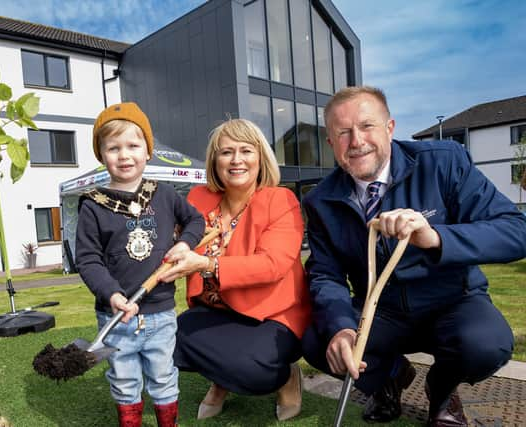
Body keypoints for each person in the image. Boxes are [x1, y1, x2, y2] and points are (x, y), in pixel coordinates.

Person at [301, 86, 526, 426]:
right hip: (383, 311)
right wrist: (341, 329)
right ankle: (390, 377)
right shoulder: (320, 200)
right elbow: (324, 274)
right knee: (319, 342)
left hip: (452, 301)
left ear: (389, 128)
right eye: (343, 133)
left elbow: (515, 230)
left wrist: (436, 237)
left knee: (485, 344)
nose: (357, 141)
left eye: (367, 126)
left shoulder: (443, 162)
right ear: (331, 143)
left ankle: (442, 388)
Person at [158, 118, 312, 421]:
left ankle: (285, 377)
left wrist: (207, 263)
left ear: (260, 158)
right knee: (161, 340)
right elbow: (173, 240)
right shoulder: (198, 199)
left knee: (252, 370)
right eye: (226, 152)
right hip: (216, 309)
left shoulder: (281, 200)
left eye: (246, 150)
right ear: (214, 161)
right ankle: (222, 379)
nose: (236, 160)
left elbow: (273, 264)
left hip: (271, 315)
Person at [75, 102, 205, 427]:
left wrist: (184, 243)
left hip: (160, 313)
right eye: (113, 148)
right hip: (115, 315)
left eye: (133, 146)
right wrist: (112, 294)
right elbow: (88, 259)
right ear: (101, 155)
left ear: (148, 151)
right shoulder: (93, 205)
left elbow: (195, 220)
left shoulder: (163, 194)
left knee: (163, 377)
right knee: (124, 381)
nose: (124, 155)